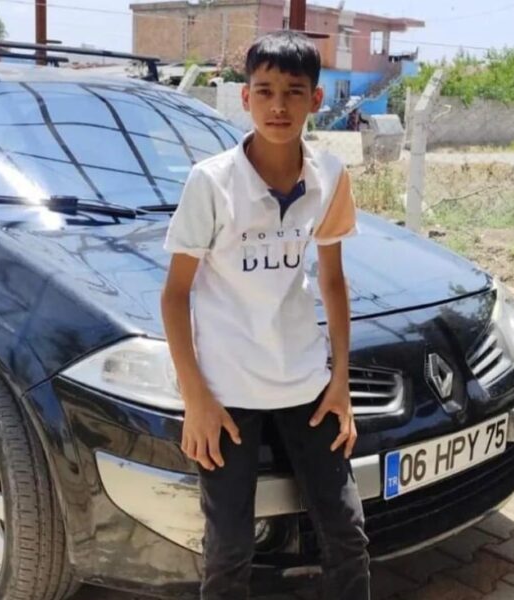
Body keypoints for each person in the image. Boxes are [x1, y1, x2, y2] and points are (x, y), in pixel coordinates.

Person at [160, 30, 370, 600]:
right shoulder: (212, 182)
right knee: (229, 549)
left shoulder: (330, 177)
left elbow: (332, 281)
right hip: (227, 392)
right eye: (265, 91)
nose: (279, 105)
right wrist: (196, 398)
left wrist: (340, 383)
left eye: (294, 92)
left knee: (347, 534)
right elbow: (175, 295)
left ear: (316, 100)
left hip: (305, 383)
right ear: (245, 97)